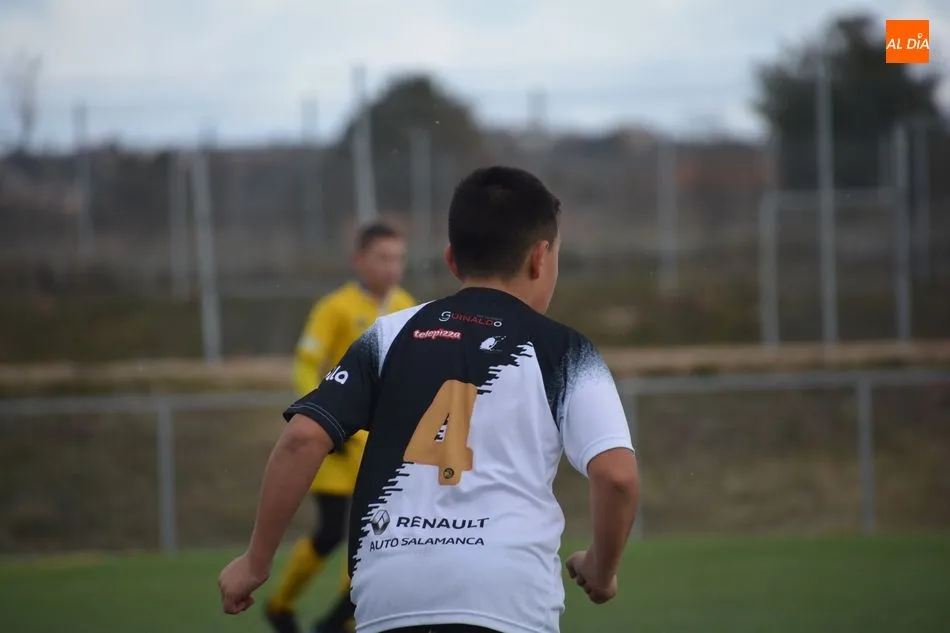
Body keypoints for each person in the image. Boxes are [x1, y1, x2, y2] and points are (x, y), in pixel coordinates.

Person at [221, 166, 640, 633]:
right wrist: (600, 568)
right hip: (509, 598)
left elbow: (302, 438)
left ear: (452, 260)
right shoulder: (567, 350)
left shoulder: (389, 334)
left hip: (391, 595)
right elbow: (617, 477)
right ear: (540, 259)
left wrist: (256, 561)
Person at [265, 221, 416, 633]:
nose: (392, 267)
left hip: (379, 447)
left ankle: (340, 622)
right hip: (337, 443)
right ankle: (280, 605)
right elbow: (305, 364)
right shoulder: (335, 308)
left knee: (374, 537)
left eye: (399, 258)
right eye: (383, 257)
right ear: (359, 260)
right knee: (332, 531)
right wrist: (322, 415)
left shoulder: (407, 306)